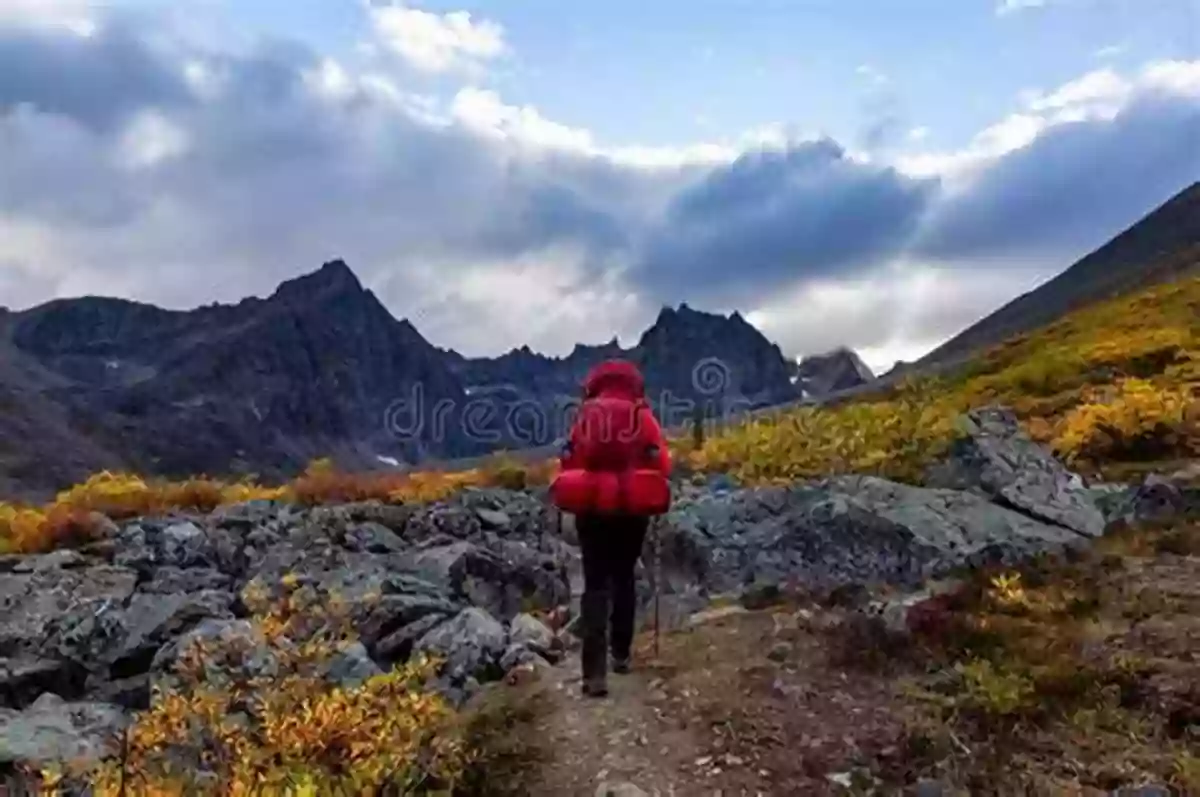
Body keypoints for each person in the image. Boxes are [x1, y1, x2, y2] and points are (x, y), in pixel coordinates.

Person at [550, 359, 672, 697]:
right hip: (633, 509)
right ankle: (621, 654)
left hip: (592, 507)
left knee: (595, 584)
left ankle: (593, 674)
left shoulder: (587, 414)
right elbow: (661, 462)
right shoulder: (642, 414)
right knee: (624, 577)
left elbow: (569, 460)